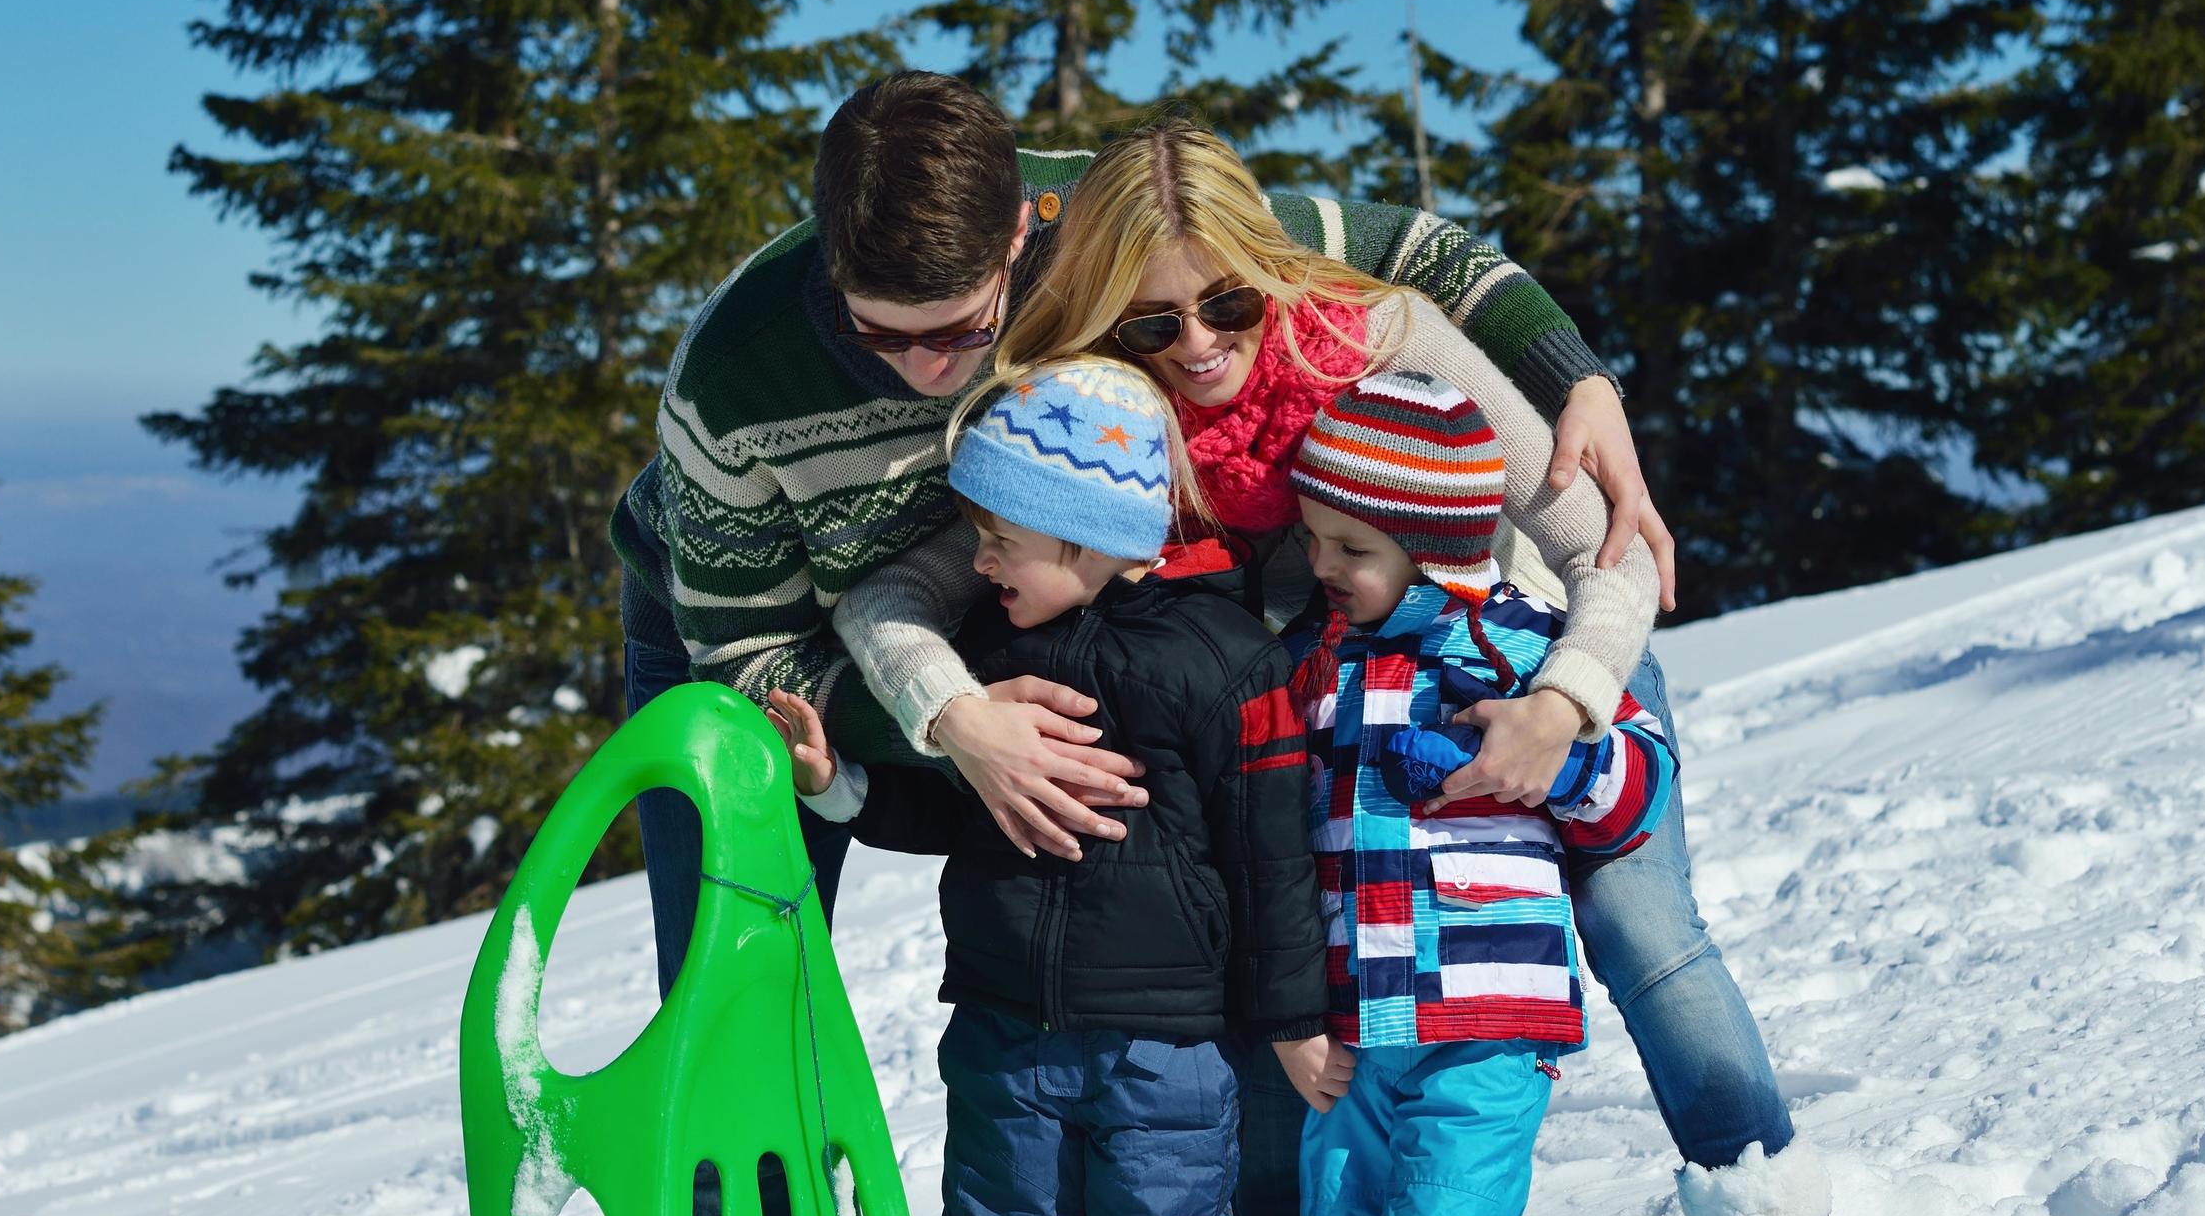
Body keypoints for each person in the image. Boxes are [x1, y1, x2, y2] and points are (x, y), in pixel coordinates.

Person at [834, 122, 1831, 1216]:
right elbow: (890, 597)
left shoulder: (1382, 340)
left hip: (1539, 652)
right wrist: (954, 714)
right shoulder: (1104, 416)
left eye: (1227, 302)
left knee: (1639, 920)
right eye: (1152, 322)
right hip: (1348, 712)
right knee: (1276, 987)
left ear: (1268, 269)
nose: (1196, 342)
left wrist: (1566, 702)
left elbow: (1609, 548)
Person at [607, 72, 1669, 1001]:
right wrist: (955, 723)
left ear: (1024, 233)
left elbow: (1415, 248)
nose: (933, 372)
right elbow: (751, 662)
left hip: (990, 594)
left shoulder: (1101, 221)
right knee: (735, 983)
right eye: (885, 332)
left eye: (966, 331)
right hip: (746, 640)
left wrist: (1579, 377)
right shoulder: (732, 380)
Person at [765, 355, 1328, 1216]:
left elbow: (1272, 865)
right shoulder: (986, 659)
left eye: (999, 539)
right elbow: (953, 812)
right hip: (1005, 1032)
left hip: (1165, 1051)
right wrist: (841, 784)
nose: (976, 561)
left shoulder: (1225, 663)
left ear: (1082, 538)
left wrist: (1294, 1021)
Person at [1277, 370, 1677, 1216]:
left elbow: (1637, 788)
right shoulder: (1316, 666)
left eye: (1351, 549)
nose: (1322, 565)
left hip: (1482, 1016)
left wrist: (1548, 758)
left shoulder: (1520, 649)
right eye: (1314, 538)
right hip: (1357, 1012)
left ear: (1438, 546)